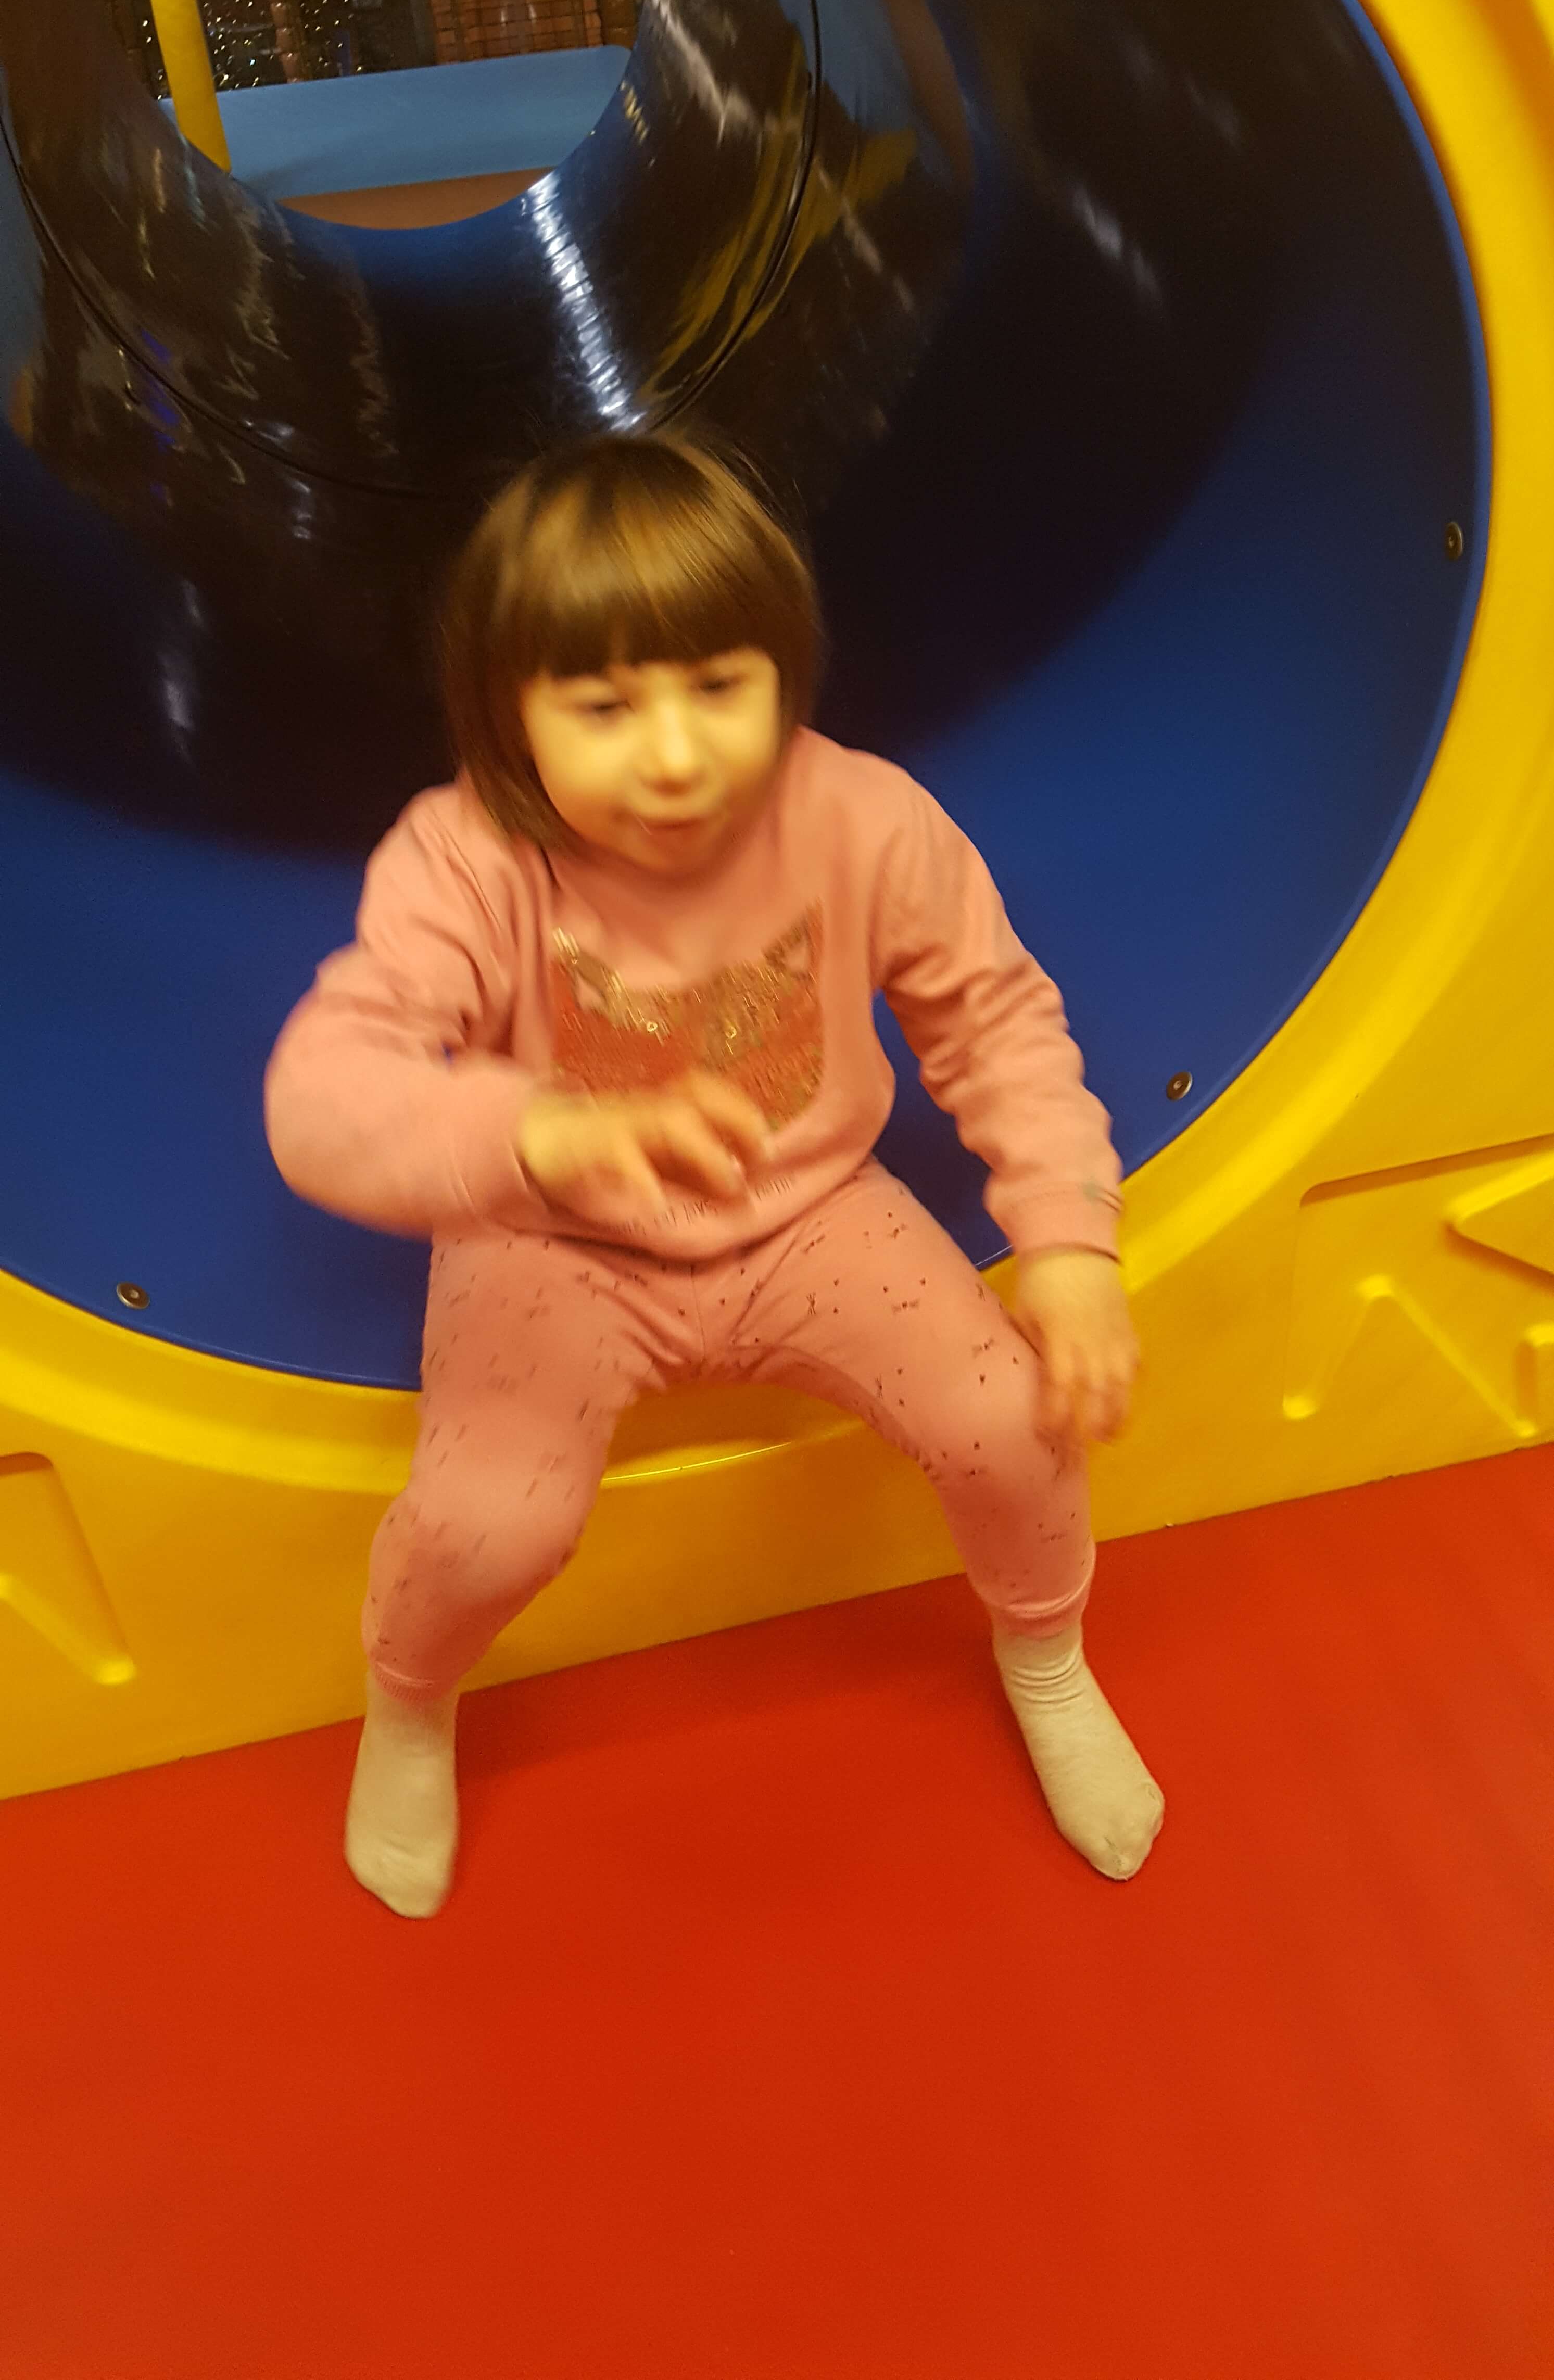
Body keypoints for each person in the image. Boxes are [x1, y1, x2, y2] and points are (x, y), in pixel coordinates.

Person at [264, 432, 1162, 1918]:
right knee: (489, 1523)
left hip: (809, 1211)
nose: (675, 756)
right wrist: (536, 1135)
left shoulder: (862, 818)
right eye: (604, 707)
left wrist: (1068, 1241)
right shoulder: (467, 857)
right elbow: (319, 1093)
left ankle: (1047, 1652)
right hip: (554, 1241)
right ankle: (410, 1700)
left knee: (1010, 1420)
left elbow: (994, 1018)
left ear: (785, 676)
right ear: (510, 712)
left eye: (718, 687)